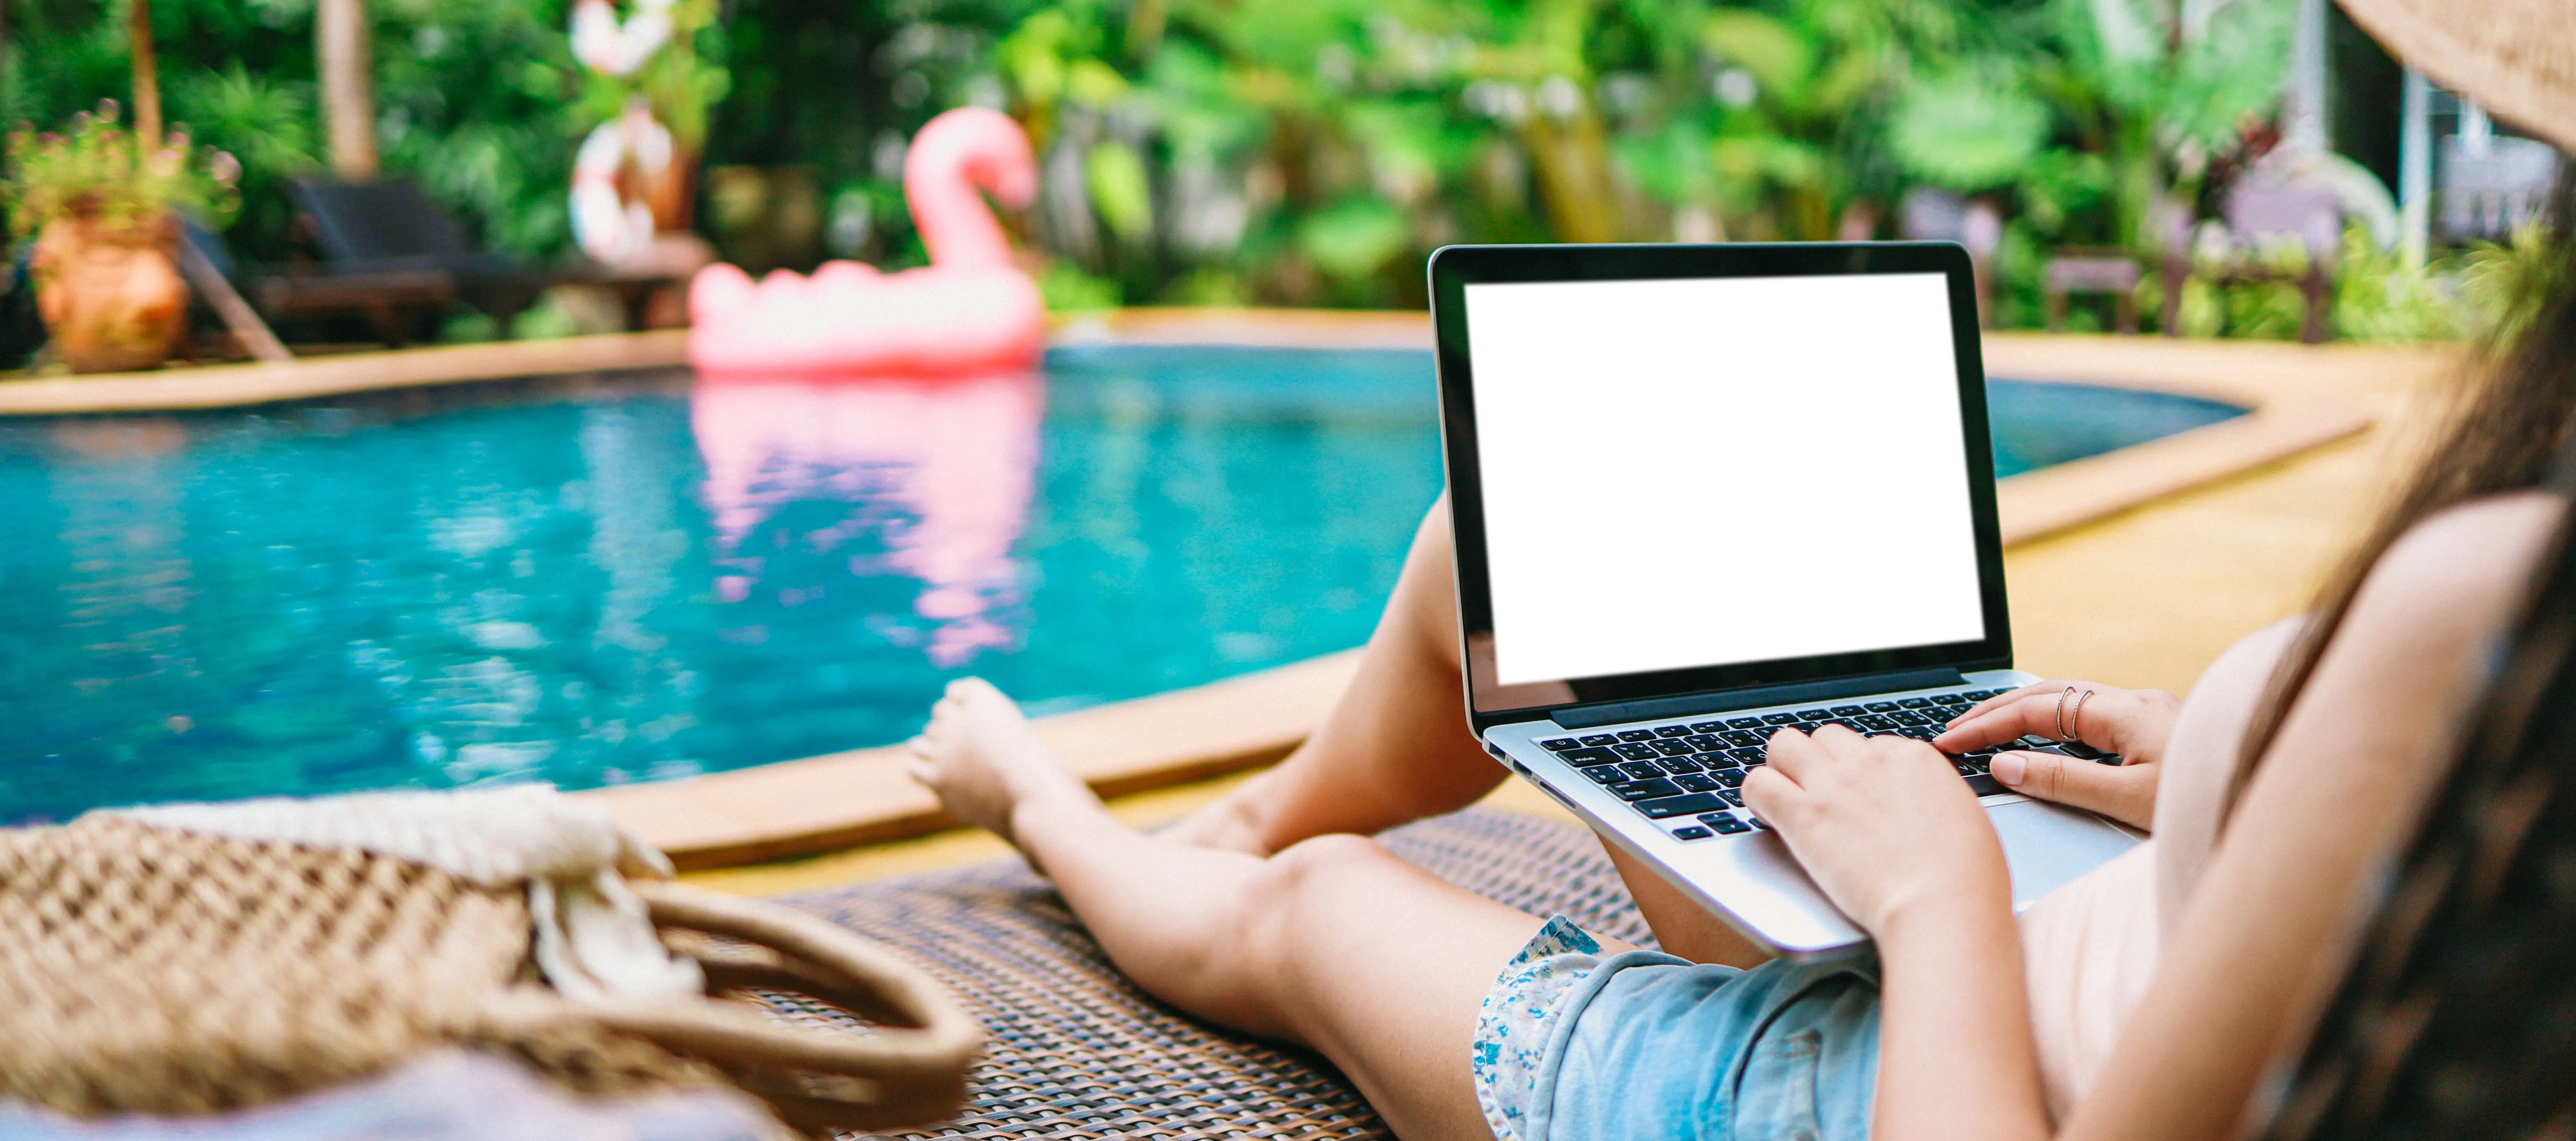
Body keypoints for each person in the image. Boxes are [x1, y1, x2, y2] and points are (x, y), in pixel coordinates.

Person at [904, 26, 2575, 1141]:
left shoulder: (2496, 594)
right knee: (1500, 570)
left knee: (1317, 912)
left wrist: (1935, 900)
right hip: (2030, 946)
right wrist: (2225, 770)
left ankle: (1052, 812)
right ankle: (1246, 824)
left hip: (1889, 1071)